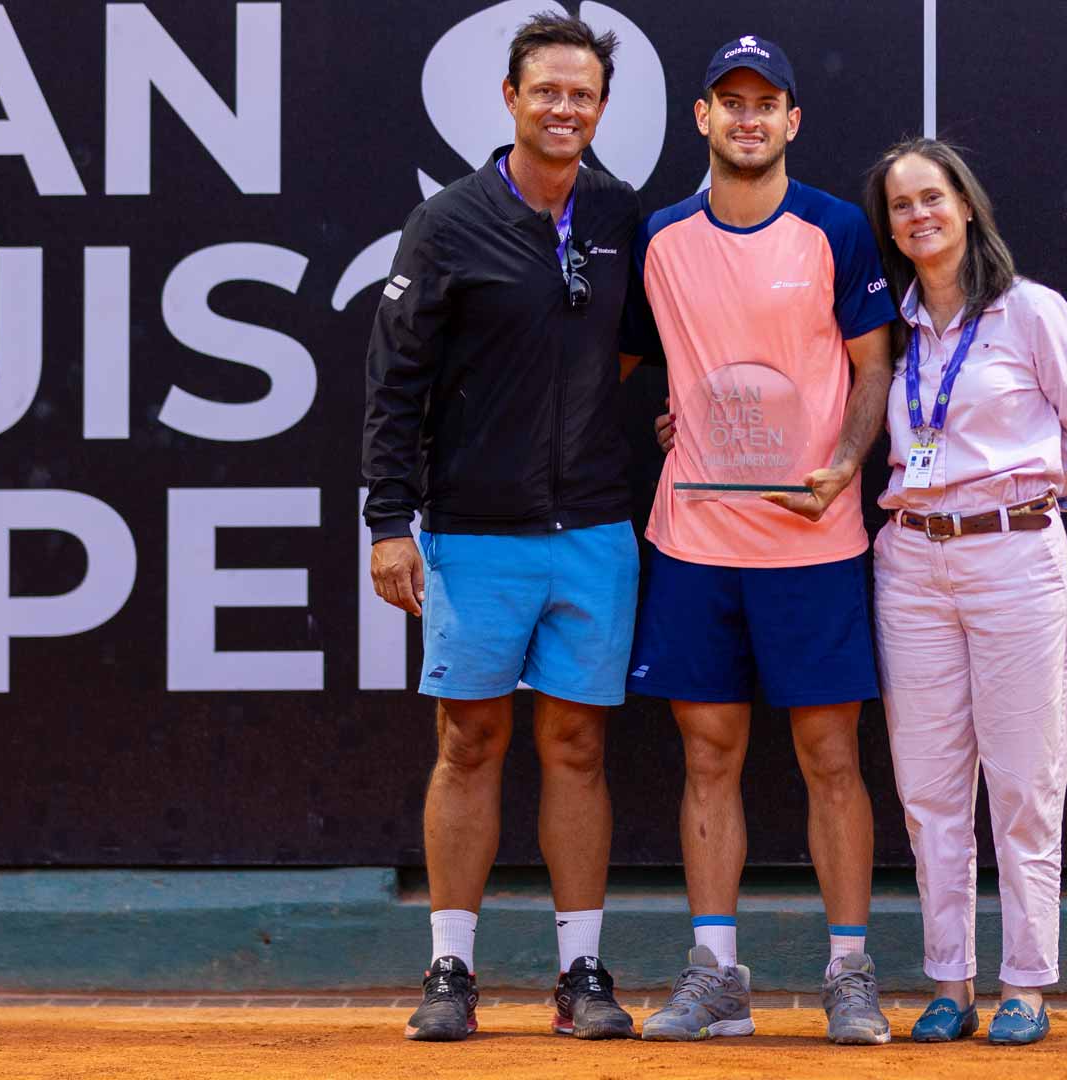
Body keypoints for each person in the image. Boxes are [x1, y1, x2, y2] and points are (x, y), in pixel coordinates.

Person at [360, 10, 643, 1042]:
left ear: (601, 108)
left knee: (576, 744)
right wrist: (390, 521)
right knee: (469, 740)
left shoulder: (619, 216)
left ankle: (580, 975)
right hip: (474, 534)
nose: (565, 107)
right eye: (547, 90)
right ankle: (450, 970)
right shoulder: (449, 224)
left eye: (583, 93)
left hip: (597, 534)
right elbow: (395, 380)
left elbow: (641, 348)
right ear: (513, 99)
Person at [620, 34, 897, 1045]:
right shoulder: (657, 239)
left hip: (814, 542)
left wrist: (848, 461)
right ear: (701, 118)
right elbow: (639, 363)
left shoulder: (837, 230)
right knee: (709, 755)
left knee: (831, 755)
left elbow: (873, 368)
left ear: (791, 119)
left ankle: (849, 974)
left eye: (763, 102)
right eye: (727, 102)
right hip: (695, 539)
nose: (745, 118)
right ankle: (717, 976)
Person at [860, 138, 1067, 1045]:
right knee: (929, 791)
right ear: (888, 226)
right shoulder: (886, 325)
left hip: (1015, 560)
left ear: (967, 206)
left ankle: (1026, 985)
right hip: (912, 565)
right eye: (900, 205)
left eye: (933, 197)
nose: (919, 216)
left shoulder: (1028, 311)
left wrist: (1037, 505)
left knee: (1021, 783)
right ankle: (948, 982)